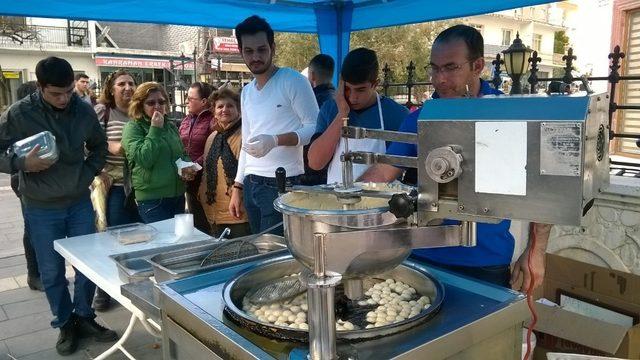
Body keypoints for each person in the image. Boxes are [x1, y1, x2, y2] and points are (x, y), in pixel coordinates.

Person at [359, 25, 551, 291]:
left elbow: (545, 188)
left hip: (482, 261)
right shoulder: (419, 118)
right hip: (420, 254)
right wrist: (345, 200)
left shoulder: (509, 115)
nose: (440, 79)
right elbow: (383, 172)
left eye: (451, 67)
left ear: (478, 65)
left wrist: (536, 252)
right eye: (435, 68)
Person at [0, 57, 116, 356]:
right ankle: (65, 323)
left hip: (78, 201)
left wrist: (87, 173)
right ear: (40, 88)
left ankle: (85, 317)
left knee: (88, 266)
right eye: (56, 94)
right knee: (51, 272)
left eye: (68, 92)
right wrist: (21, 163)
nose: (64, 99)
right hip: (40, 206)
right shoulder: (20, 113)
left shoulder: (82, 108)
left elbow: (99, 146)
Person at [228, 15, 319, 234]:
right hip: (252, 183)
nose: (256, 57)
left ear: (273, 48)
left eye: (262, 49)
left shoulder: (292, 80)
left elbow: (314, 128)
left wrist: (276, 140)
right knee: (260, 251)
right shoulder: (247, 91)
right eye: (249, 51)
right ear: (241, 51)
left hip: (282, 182)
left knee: (276, 256)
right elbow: (246, 142)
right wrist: (238, 186)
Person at [308, 48, 408, 184]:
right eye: (348, 89)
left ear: (375, 84)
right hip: (335, 200)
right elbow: (315, 163)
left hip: (380, 202)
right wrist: (342, 115)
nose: (353, 97)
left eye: (360, 90)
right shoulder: (330, 109)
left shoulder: (396, 114)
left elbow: (402, 165)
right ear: (341, 83)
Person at [91, 69, 138, 311]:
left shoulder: (139, 112)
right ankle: (103, 289)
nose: (128, 87)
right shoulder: (103, 111)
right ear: (111, 88)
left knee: (138, 238)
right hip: (114, 186)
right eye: (122, 84)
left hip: (138, 186)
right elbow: (88, 141)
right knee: (114, 238)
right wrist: (112, 145)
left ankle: (133, 286)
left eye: (131, 83)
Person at [122, 82, 195, 223]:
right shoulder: (132, 128)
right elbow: (145, 158)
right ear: (140, 105)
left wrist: (187, 165)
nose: (157, 106)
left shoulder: (170, 126)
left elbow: (180, 153)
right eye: (150, 103)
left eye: (161, 101)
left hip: (177, 196)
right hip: (152, 200)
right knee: (161, 242)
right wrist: (155, 129)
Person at [199, 88, 251, 238]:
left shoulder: (245, 134)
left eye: (230, 106)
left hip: (238, 213)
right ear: (214, 111)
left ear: (238, 110)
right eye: (220, 106)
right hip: (214, 213)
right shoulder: (212, 138)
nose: (224, 110)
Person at [9, 81, 42, 291]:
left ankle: (39, 273)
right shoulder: (18, 121)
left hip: (44, 182)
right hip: (24, 181)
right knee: (32, 228)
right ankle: (33, 274)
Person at [179, 82, 215, 233]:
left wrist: (194, 166)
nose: (186, 102)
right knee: (194, 220)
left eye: (190, 98)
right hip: (188, 179)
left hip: (205, 179)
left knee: (206, 222)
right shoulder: (186, 120)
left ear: (204, 102)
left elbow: (212, 148)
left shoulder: (213, 120)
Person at [300, 54, 336, 186]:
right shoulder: (339, 102)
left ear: (312, 75)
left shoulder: (309, 102)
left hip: (311, 171)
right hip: (333, 169)